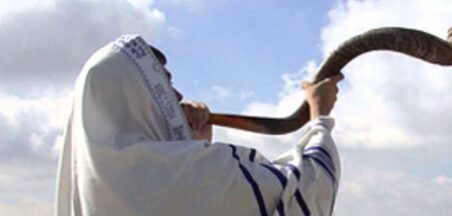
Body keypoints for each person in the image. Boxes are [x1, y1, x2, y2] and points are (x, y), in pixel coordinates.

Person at [55, 35, 343, 216]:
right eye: (164, 83)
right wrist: (320, 116)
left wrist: (191, 143)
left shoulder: (89, 180)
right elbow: (307, 188)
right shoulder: (182, 171)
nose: (178, 96)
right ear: (139, 94)